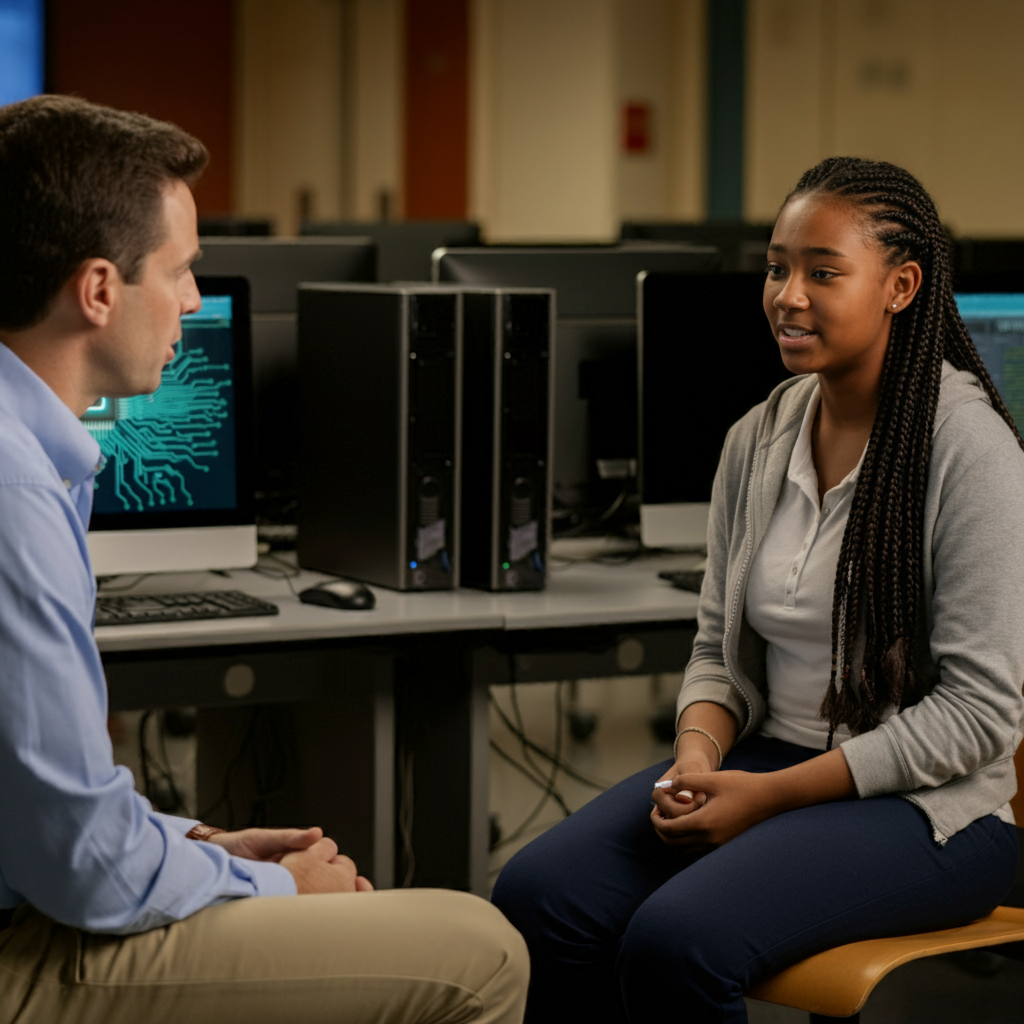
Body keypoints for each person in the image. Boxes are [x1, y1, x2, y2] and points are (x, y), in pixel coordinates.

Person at [0, 94, 527, 1024]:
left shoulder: (27, 453)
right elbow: (80, 865)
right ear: (96, 290)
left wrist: (202, 844)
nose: (195, 302)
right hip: (17, 949)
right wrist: (285, 893)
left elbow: (38, 804)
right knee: (481, 953)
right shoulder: (14, 492)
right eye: (181, 270)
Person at [491, 156, 1024, 1023]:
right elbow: (718, 652)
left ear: (901, 285)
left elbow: (980, 714)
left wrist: (769, 795)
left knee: (677, 939)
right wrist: (698, 760)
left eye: (823, 272)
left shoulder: (972, 452)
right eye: (778, 267)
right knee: (538, 897)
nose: (788, 295)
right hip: (763, 760)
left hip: (932, 814)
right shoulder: (760, 436)